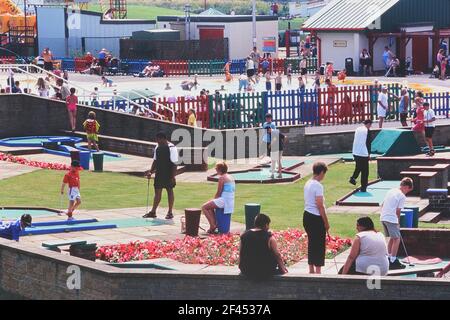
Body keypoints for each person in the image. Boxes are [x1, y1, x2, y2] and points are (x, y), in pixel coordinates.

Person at [239, 213, 288, 280]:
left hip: (246, 270)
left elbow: (241, 253)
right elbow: (277, 255)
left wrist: (241, 266)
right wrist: (283, 268)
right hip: (265, 271)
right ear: (266, 225)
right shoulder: (269, 238)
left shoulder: (244, 235)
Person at [380, 177, 414, 270]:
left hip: (383, 217)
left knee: (392, 238)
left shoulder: (391, 191)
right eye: (408, 190)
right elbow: (398, 211)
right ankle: (393, 260)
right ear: (406, 187)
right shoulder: (402, 196)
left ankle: (388, 257)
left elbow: (382, 204)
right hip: (391, 219)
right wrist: (398, 222)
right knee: (397, 239)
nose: (407, 192)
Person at [143, 132, 178, 220]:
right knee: (157, 192)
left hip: (169, 173)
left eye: (158, 140)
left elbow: (174, 164)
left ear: (163, 139)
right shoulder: (157, 147)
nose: (157, 142)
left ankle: (170, 212)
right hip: (159, 173)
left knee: (170, 191)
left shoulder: (172, 148)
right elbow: (155, 160)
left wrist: (173, 177)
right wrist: (151, 172)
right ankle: (153, 212)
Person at [303, 162, 330, 274]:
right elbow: (320, 205)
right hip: (315, 217)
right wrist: (326, 222)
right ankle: (318, 271)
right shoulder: (318, 186)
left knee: (312, 242)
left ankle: (311, 269)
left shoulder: (308, 183)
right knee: (318, 244)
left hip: (307, 215)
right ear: (322, 172)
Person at [201, 162, 235, 234]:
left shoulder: (222, 178)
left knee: (204, 207)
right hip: (230, 200)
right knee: (210, 205)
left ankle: (212, 225)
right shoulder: (230, 177)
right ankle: (214, 224)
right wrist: (213, 200)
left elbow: (219, 193)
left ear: (219, 170)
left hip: (224, 200)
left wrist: (214, 199)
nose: (215, 170)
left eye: (216, 168)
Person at [350, 120, 372, 192]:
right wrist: (369, 154)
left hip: (356, 152)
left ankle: (353, 178)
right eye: (370, 125)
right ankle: (363, 188)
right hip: (363, 153)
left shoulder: (358, 129)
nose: (370, 127)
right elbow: (368, 143)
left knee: (358, 167)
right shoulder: (367, 131)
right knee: (365, 171)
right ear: (368, 124)